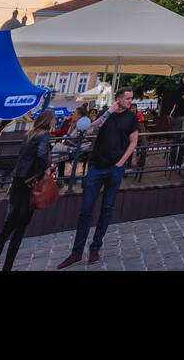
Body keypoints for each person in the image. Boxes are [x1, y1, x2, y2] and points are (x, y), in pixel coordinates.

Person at [56, 87, 140, 269]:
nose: (130, 101)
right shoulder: (105, 113)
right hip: (97, 166)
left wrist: (122, 162)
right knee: (86, 210)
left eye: (131, 98)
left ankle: (95, 246)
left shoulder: (131, 117)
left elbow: (134, 140)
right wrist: (108, 112)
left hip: (115, 168)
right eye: (127, 98)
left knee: (107, 208)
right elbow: (93, 130)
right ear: (118, 99)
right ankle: (76, 252)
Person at [0, 109, 55, 271]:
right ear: (50, 122)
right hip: (31, 183)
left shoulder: (30, 133)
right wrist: (48, 168)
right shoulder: (44, 135)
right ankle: (8, 267)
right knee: (19, 230)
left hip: (18, 180)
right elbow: (40, 155)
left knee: (7, 226)